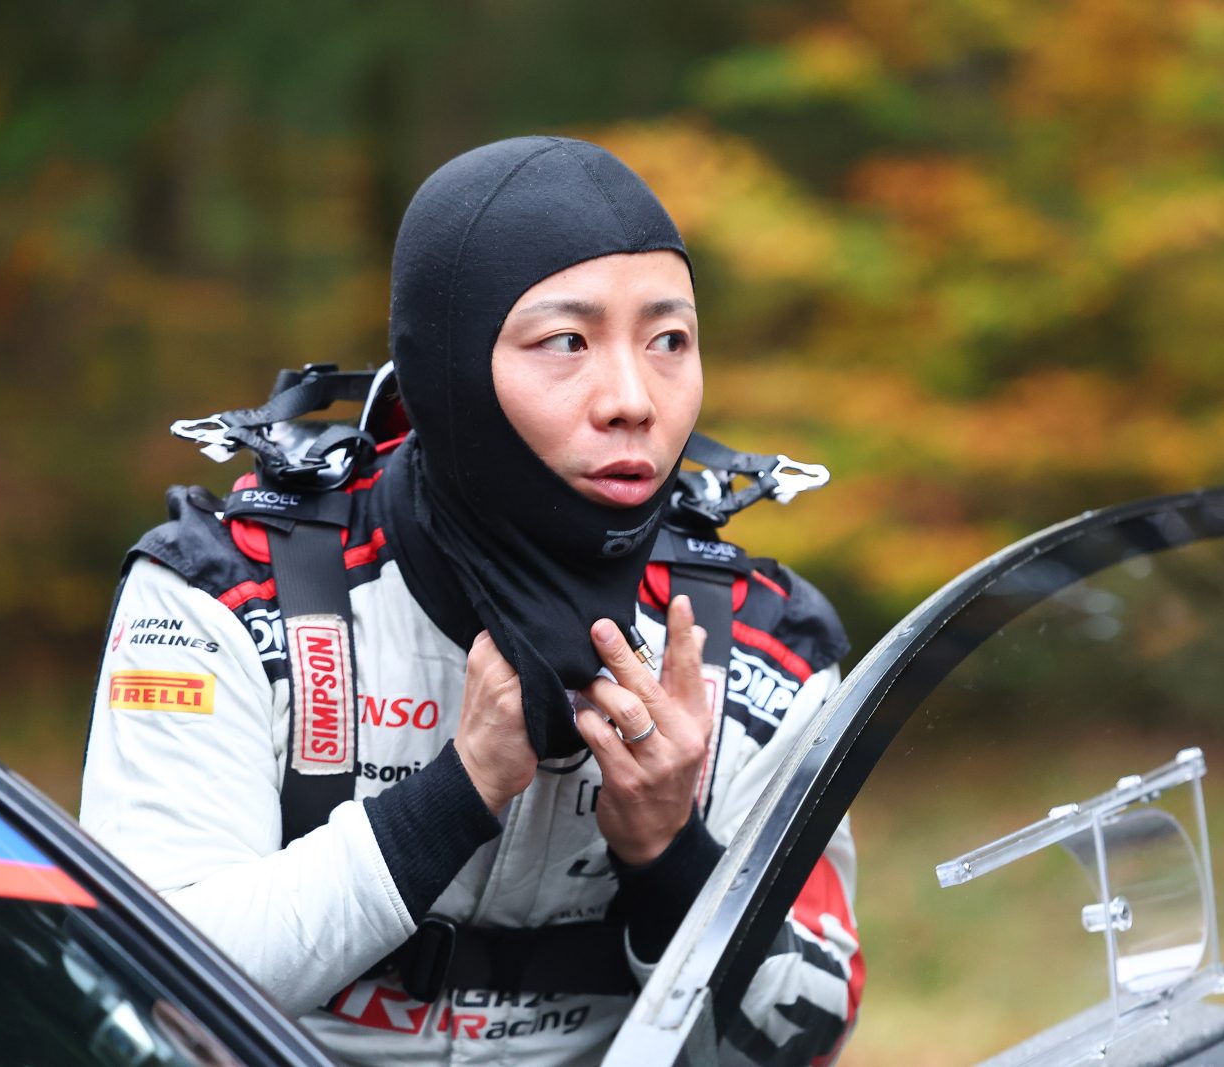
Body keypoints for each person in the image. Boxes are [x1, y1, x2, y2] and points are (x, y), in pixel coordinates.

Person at [79, 137, 861, 1066]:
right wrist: (461, 789)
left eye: (669, 341)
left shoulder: (761, 645)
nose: (633, 399)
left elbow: (806, 1029)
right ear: (447, 368)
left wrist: (670, 853)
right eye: (566, 341)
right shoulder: (224, 595)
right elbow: (139, 984)